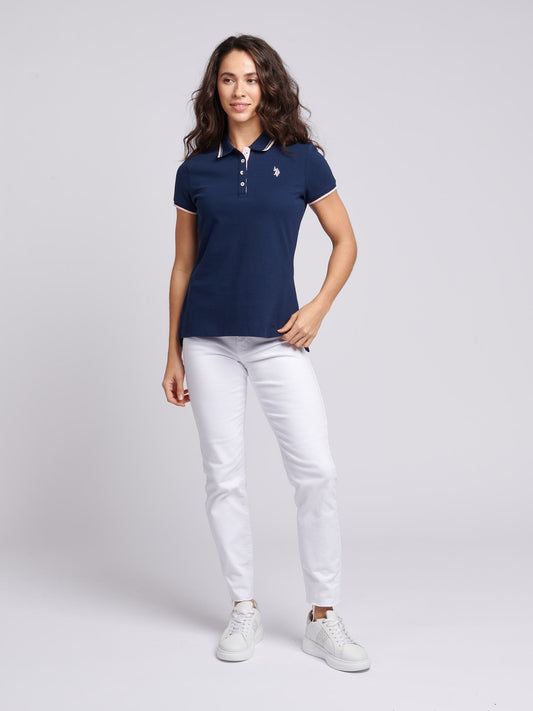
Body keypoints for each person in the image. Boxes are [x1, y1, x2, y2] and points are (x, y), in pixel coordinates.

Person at [162, 34, 370, 673]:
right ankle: (243, 606)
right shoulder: (196, 170)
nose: (240, 89)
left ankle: (323, 618)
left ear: (268, 85)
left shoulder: (303, 161)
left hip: (278, 339)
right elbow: (183, 265)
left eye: (251, 78)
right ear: (215, 89)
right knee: (224, 477)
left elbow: (346, 242)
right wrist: (172, 352)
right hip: (207, 340)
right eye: (228, 79)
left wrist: (316, 309)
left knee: (317, 472)